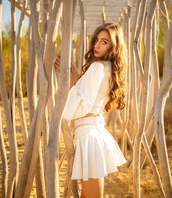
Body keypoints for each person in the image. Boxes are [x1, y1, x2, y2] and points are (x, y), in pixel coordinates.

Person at [54, 23, 127, 198]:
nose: (97, 45)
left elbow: (80, 107)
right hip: (94, 132)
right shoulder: (109, 68)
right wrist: (77, 77)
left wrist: (71, 84)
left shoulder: (96, 68)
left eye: (104, 42)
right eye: (96, 40)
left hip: (88, 136)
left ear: (113, 46)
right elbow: (91, 98)